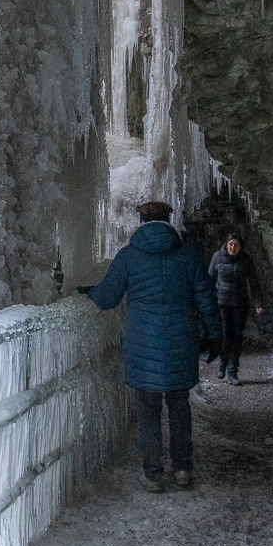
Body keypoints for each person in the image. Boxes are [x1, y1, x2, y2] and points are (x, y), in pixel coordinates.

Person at [77, 200, 221, 492]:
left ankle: (153, 473)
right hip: (181, 340)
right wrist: (215, 335)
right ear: (168, 220)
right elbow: (207, 298)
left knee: (148, 409)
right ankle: (182, 469)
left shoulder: (129, 256)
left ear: (141, 221)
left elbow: (107, 299)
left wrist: (90, 291)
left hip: (143, 343)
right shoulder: (188, 255)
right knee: (179, 406)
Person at [207, 232, 263, 385]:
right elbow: (210, 280)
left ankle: (232, 372)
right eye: (231, 244)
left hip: (240, 303)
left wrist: (258, 303)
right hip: (222, 303)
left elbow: (254, 283)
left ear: (241, 247)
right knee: (225, 335)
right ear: (226, 244)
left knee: (237, 336)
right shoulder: (217, 257)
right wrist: (208, 303)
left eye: (236, 245)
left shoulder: (246, 260)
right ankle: (223, 363)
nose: (233, 247)